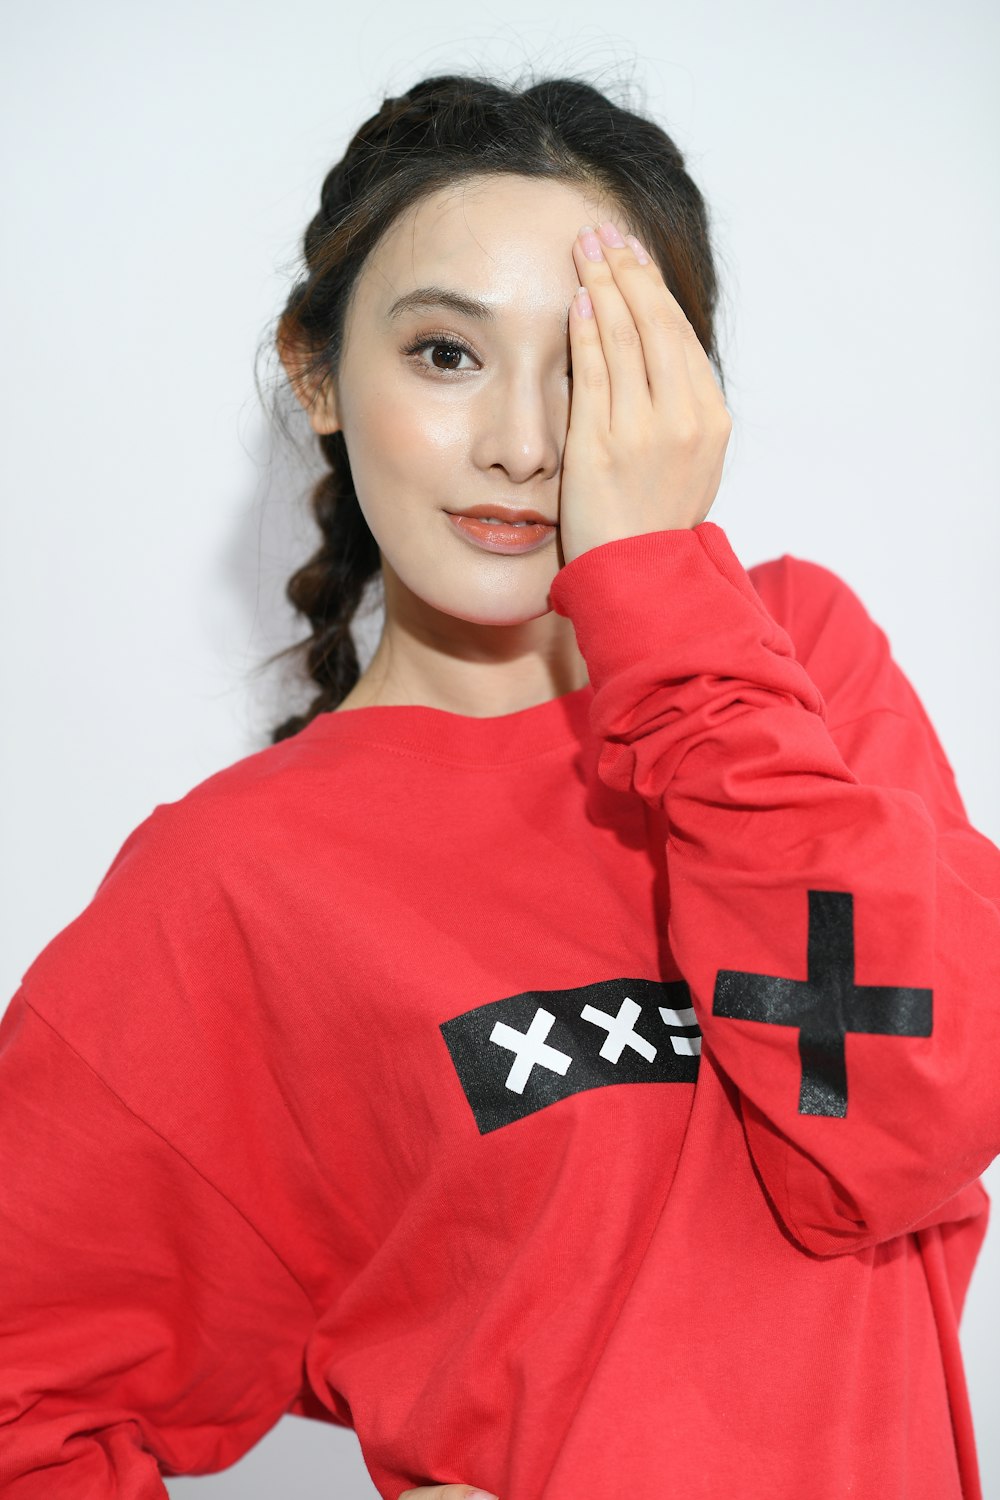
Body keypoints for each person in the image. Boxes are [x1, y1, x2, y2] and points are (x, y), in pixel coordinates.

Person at [1, 69, 997, 1500]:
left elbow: (900, 1125)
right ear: (318, 374)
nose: (526, 445)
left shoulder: (792, 673)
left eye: (592, 368)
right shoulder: (236, 888)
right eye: (447, 355)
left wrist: (667, 612)